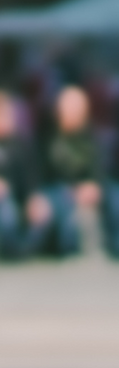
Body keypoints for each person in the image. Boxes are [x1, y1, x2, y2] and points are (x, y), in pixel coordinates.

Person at [30, 83, 118, 257]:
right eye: (69, 108)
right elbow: (38, 173)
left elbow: (100, 169)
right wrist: (35, 195)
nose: (74, 113)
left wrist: (95, 185)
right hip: (56, 190)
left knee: (115, 195)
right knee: (58, 198)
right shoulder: (46, 136)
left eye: (79, 109)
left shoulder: (91, 136)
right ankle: (61, 244)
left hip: (85, 188)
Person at [0, 87, 42, 259]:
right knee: (2, 206)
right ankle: (7, 246)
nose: (4, 120)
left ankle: (21, 246)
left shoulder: (20, 146)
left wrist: (33, 198)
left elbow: (29, 179)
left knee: (38, 212)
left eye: (7, 115)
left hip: (15, 197)